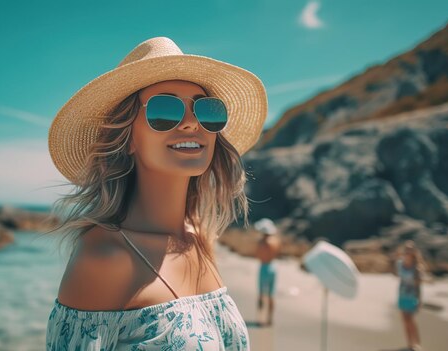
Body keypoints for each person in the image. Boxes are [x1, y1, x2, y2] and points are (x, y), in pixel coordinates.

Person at [45, 37, 268, 350]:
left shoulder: (200, 239)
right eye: (165, 110)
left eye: (207, 110)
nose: (192, 123)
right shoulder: (104, 258)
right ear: (128, 139)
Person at [394, 240, 425, 351]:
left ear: (414, 252)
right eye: (406, 249)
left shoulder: (417, 268)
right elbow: (397, 274)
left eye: (410, 250)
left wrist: (420, 300)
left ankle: (417, 343)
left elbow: (419, 286)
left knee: (411, 320)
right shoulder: (399, 264)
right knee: (404, 320)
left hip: (412, 297)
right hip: (402, 295)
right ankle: (409, 344)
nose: (408, 252)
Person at [253, 218, 281, 327]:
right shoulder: (276, 241)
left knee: (261, 294)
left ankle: (260, 318)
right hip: (273, 266)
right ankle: (270, 319)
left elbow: (258, 254)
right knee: (271, 294)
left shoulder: (262, 243)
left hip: (264, 267)